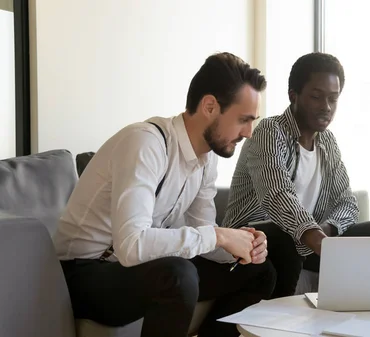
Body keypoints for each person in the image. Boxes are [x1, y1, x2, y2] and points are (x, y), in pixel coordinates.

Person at [52, 52, 276, 337]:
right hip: (83, 274)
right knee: (178, 275)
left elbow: (201, 233)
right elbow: (132, 245)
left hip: (136, 267)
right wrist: (220, 235)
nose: (249, 132)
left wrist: (242, 244)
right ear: (209, 106)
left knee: (260, 271)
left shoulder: (207, 159)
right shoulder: (145, 143)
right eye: (243, 119)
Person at [222, 52, 370, 298]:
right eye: (317, 97)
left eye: (333, 99)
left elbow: (347, 202)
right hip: (255, 243)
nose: (326, 107)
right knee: (285, 236)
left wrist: (326, 231)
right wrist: (314, 237)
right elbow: (277, 195)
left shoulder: (327, 142)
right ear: (293, 96)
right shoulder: (269, 131)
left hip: (305, 244)